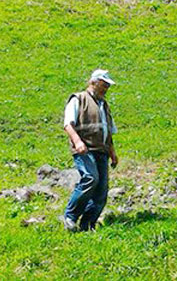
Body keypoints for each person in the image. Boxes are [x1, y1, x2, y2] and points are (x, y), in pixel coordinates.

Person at [62, 69, 119, 232]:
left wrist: (112, 152)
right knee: (90, 178)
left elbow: (108, 130)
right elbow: (68, 124)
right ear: (93, 82)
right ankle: (70, 216)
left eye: (108, 85)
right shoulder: (78, 99)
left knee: (101, 190)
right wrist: (78, 142)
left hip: (102, 150)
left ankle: (88, 224)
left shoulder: (104, 105)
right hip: (85, 149)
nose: (106, 88)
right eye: (104, 84)